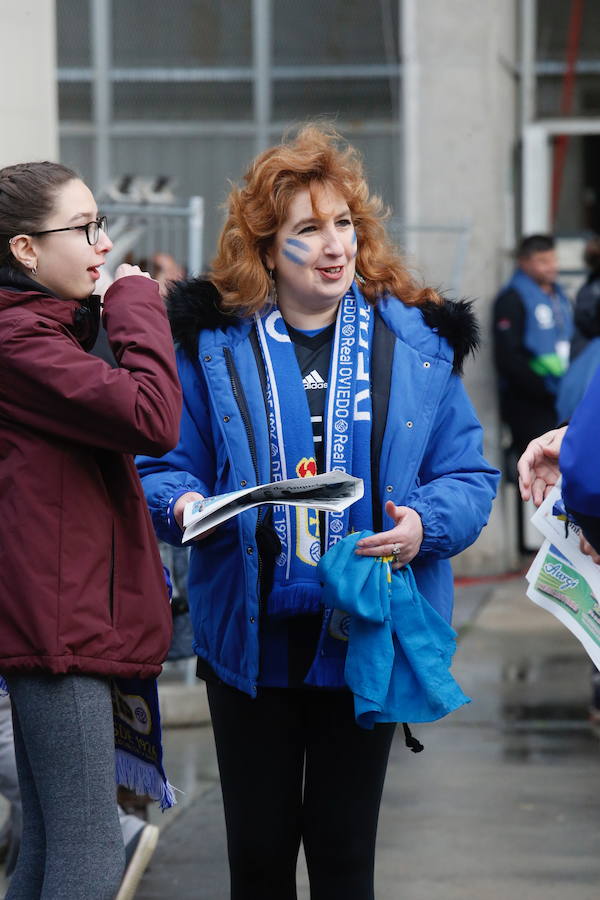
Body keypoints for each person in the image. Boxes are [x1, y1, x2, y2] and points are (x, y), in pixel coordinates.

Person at [137, 124, 499, 900]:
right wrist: (189, 505)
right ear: (267, 249)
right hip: (246, 643)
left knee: (343, 864)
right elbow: (161, 467)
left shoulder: (418, 343)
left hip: (362, 632)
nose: (334, 245)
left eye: (344, 224)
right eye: (307, 229)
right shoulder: (209, 345)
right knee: (259, 864)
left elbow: (468, 475)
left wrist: (421, 528)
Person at [0, 161, 181, 898]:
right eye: (83, 228)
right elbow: (152, 417)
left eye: (100, 224)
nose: (103, 245)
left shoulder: (44, 330)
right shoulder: (19, 342)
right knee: (90, 850)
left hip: (62, 620)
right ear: (25, 252)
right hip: (58, 626)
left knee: (48, 843)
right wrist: (136, 303)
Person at [493, 234, 573, 456]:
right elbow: (509, 356)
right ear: (524, 262)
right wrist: (542, 389)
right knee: (536, 462)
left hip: (562, 395)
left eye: (553, 260)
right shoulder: (511, 299)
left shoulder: (560, 296)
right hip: (530, 402)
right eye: (543, 261)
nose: (551, 267)